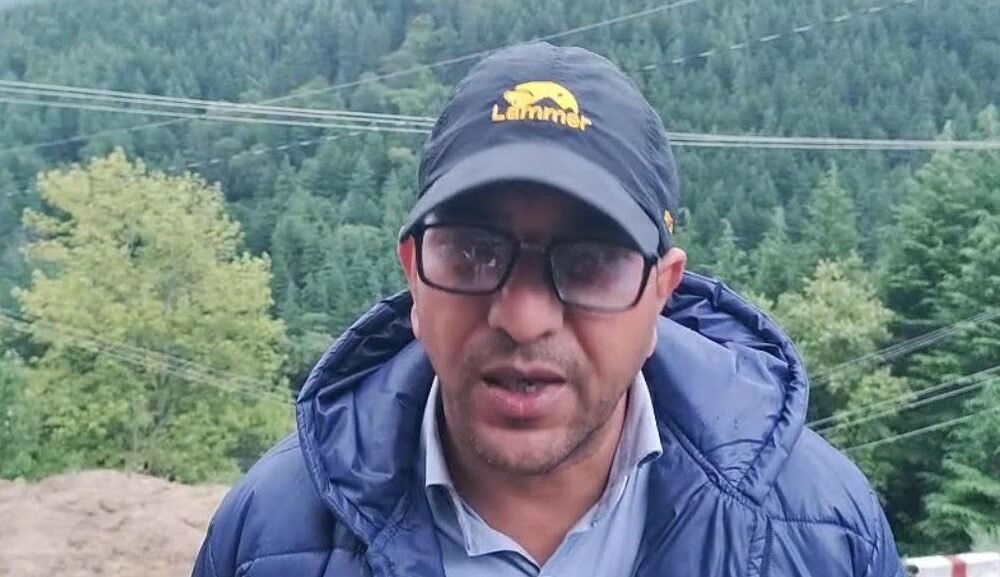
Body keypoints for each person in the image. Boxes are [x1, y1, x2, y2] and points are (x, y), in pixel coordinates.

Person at [192, 42, 906, 577]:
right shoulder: (271, 537)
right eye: (474, 253)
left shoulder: (820, 536)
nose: (525, 318)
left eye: (589, 262)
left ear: (661, 293)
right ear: (414, 274)